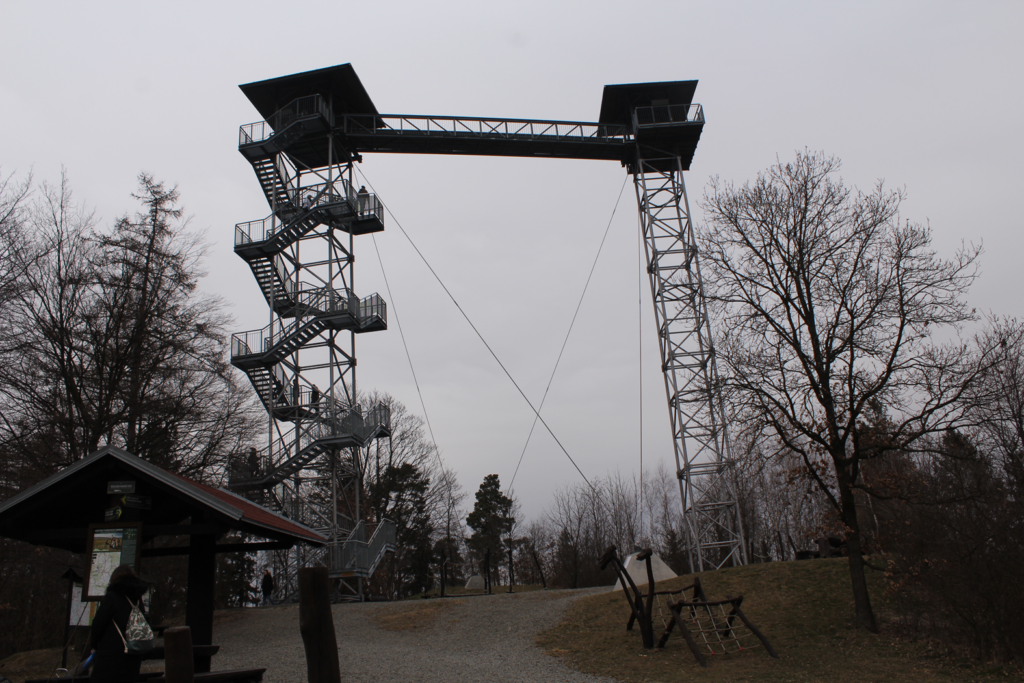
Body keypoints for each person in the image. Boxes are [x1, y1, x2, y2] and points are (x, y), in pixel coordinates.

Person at [86, 564, 150, 683]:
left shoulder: (112, 597)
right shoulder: (137, 599)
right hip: (133, 653)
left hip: (111, 655)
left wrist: (94, 645)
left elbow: (98, 624)